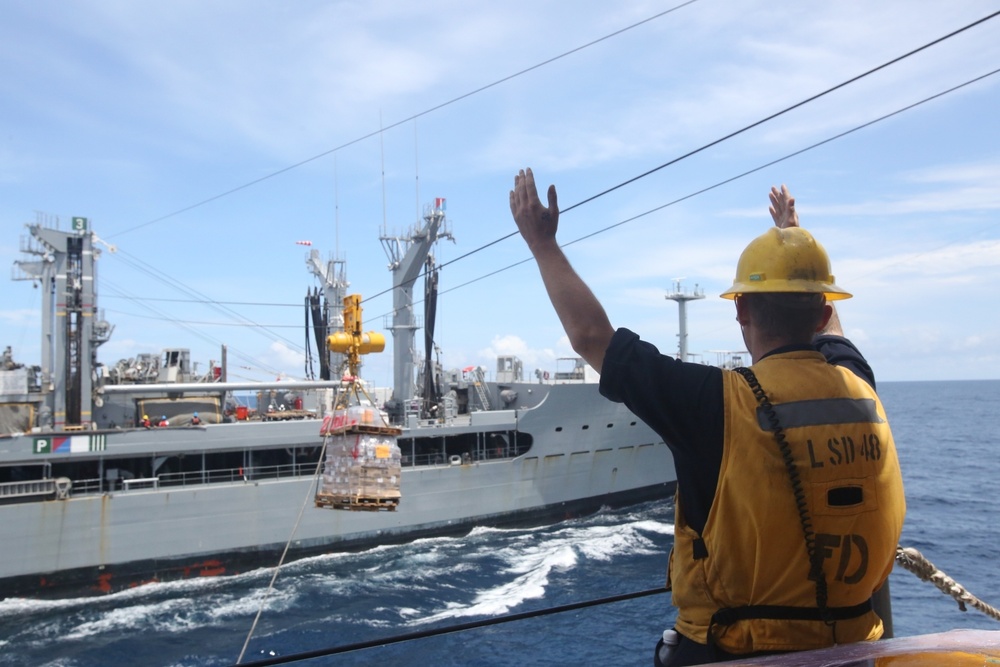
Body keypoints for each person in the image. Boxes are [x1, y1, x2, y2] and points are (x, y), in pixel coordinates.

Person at [509, 168, 905, 665]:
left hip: (735, 653)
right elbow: (837, 339)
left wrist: (542, 243)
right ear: (823, 314)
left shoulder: (716, 404)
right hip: (852, 652)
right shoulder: (859, 388)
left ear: (740, 311)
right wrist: (794, 240)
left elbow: (592, 336)